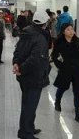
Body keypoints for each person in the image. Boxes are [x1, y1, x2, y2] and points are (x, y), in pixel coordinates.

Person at [12, 11, 51, 139]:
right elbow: (35, 60)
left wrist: (16, 64)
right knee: (30, 105)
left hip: (24, 76)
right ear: (45, 24)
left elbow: (17, 50)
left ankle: (29, 127)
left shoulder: (25, 32)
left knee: (27, 103)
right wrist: (21, 69)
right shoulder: (40, 38)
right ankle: (26, 133)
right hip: (34, 77)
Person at [51, 23, 79, 125]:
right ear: (63, 31)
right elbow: (53, 56)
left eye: (72, 29)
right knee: (62, 88)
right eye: (68, 29)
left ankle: (78, 114)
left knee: (77, 91)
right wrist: (60, 66)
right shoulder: (59, 43)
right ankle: (57, 100)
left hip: (77, 70)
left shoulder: (78, 42)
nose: (71, 31)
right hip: (65, 70)